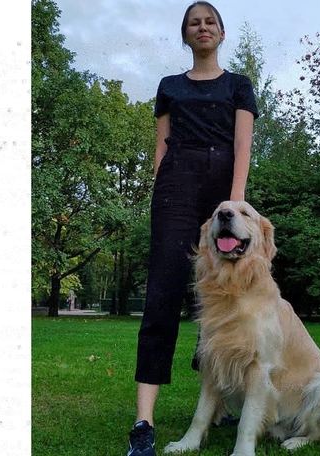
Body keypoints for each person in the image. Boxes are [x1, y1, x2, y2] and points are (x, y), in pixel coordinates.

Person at [126, 2, 258, 455]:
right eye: (194, 23)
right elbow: (161, 149)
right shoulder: (169, 86)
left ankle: (219, 404)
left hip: (222, 191)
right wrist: (162, 191)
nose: (203, 28)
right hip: (176, 188)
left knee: (221, 298)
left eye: (210, 22)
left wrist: (233, 205)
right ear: (185, 35)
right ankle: (143, 422)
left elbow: (242, 147)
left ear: (221, 32)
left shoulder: (239, 86)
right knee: (162, 293)